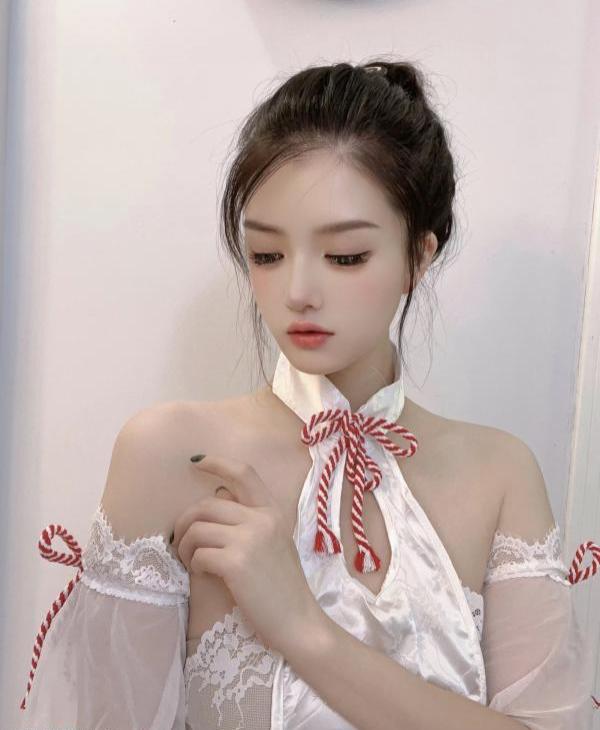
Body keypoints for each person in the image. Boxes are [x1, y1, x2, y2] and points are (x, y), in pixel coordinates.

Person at [18, 59, 598, 730]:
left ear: (419, 256)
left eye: (345, 256)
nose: (297, 292)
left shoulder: (499, 474)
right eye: (266, 255)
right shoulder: (174, 457)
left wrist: (301, 627)